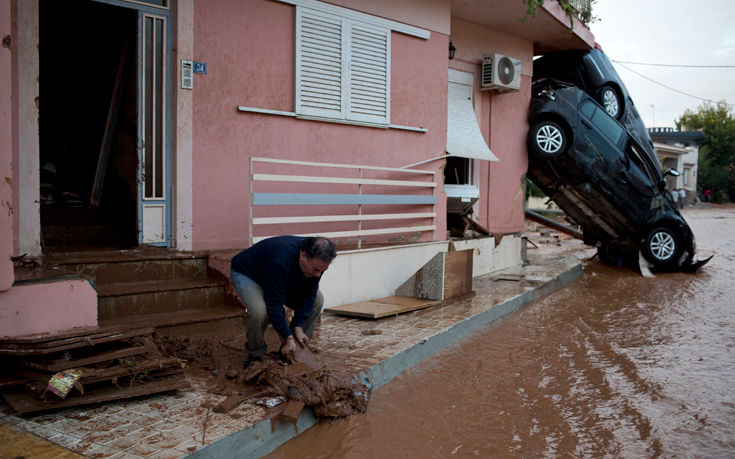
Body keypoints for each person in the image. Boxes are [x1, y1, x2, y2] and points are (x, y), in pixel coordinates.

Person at [230, 235, 337, 367]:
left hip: (277, 278)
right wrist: (287, 336)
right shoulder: (280, 258)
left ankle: (294, 349)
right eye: (315, 269)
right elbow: (274, 303)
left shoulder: (318, 262)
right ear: (303, 255)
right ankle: (256, 353)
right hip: (250, 275)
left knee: (317, 300)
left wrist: (298, 325)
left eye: (322, 271)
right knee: (259, 311)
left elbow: (309, 294)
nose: (318, 275)